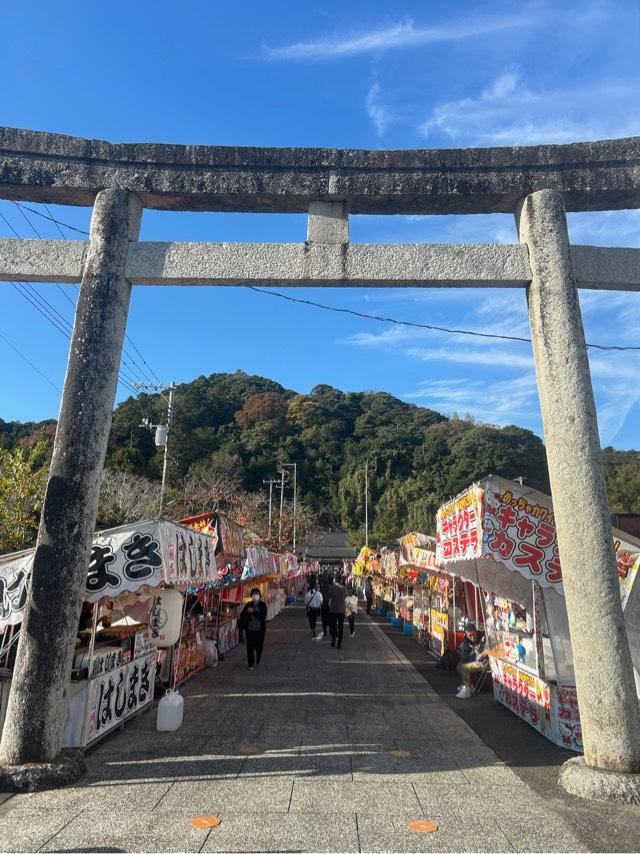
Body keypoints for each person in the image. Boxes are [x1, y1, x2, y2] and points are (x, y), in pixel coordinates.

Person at [238, 587, 268, 670]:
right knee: (250, 647)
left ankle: (258, 657)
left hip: (260, 630)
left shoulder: (262, 605)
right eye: (254, 594)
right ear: (251, 596)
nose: (255, 596)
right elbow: (243, 615)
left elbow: (263, 616)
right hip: (250, 630)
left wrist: (253, 612)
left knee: (259, 647)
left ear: (259, 595)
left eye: (257, 594)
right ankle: (250, 663)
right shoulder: (248, 605)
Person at [456, 622, 487, 699]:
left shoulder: (484, 637)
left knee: (464, 668)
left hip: (486, 662)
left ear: (476, 631)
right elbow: (465, 656)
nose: (472, 637)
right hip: (476, 660)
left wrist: (483, 653)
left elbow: (492, 648)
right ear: (466, 635)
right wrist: (461, 663)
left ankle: (466, 689)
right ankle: (469, 686)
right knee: (460, 666)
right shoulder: (466, 642)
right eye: (470, 636)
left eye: (474, 634)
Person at [328, 573, 347, 649]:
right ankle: (339, 643)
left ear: (335, 579)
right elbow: (345, 596)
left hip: (333, 609)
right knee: (341, 626)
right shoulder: (344, 588)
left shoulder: (331, 588)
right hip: (341, 609)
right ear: (340, 580)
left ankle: (333, 639)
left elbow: (329, 595)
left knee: (333, 625)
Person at [319, 572, 331, 638]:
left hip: (323, 605)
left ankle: (325, 632)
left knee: (323, 619)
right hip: (329, 605)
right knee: (329, 618)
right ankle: (330, 631)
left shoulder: (321, 589)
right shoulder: (330, 588)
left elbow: (320, 597)